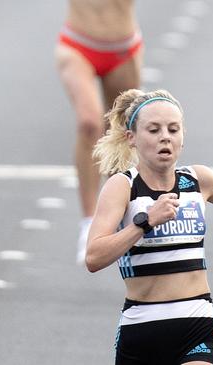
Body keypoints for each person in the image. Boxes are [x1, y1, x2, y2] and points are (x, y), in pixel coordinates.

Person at [86, 89, 213, 364]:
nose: (165, 136)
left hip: (197, 324)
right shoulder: (123, 187)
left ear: (182, 137)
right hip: (140, 328)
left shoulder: (198, 179)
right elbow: (94, 257)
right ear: (131, 138)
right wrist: (144, 222)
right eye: (153, 130)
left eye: (173, 129)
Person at [55, 0, 143, 264]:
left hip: (123, 50)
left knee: (121, 130)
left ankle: (115, 218)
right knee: (89, 122)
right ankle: (88, 221)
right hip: (77, 46)